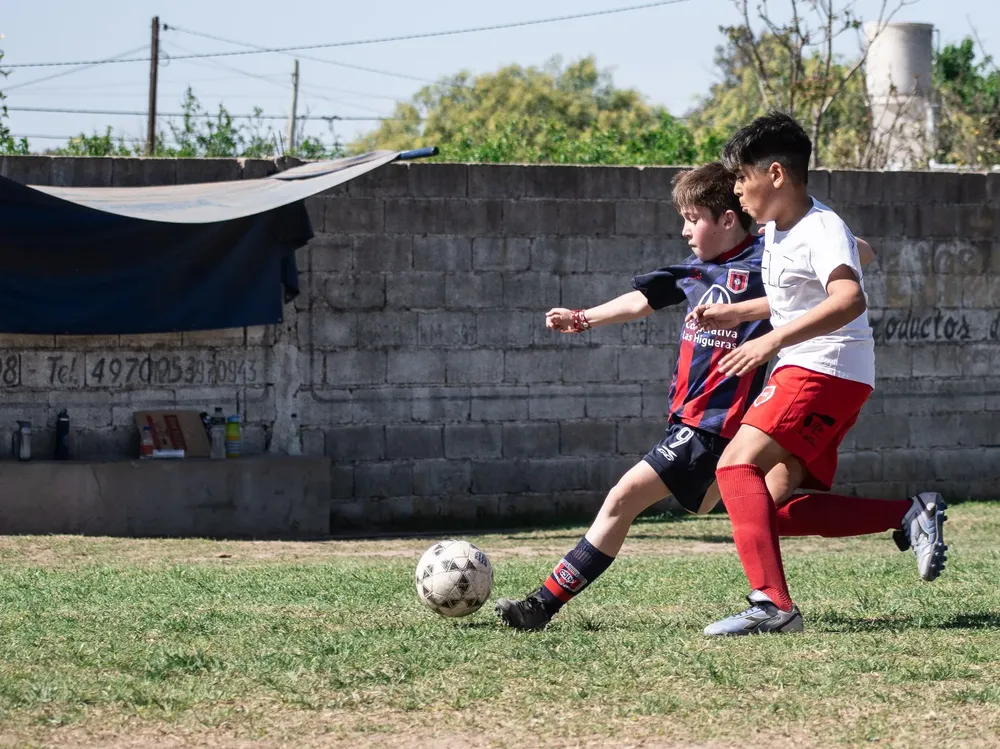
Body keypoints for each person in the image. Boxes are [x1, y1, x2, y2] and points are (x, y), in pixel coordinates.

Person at [494, 162, 889, 632]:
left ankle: (541, 604)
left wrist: (790, 269)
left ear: (727, 219)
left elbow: (860, 253)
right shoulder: (693, 270)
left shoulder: (771, 253)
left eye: (692, 218)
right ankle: (906, 515)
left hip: (713, 425)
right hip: (692, 421)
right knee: (770, 511)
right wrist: (581, 318)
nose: (684, 230)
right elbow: (640, 301)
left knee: (622, 499)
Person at [688, 112, 947, 637]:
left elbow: (849, 297)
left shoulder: (820, 226)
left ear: (776, 174)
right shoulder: (782, 231)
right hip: (829, 374)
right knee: (771, 509)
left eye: (742, 177)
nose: (736, 190)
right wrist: (740, 314)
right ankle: (910, 513)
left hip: (819, 369)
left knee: (735, 469)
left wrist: (769, 340)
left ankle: (772, 606)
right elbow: (819, 280)